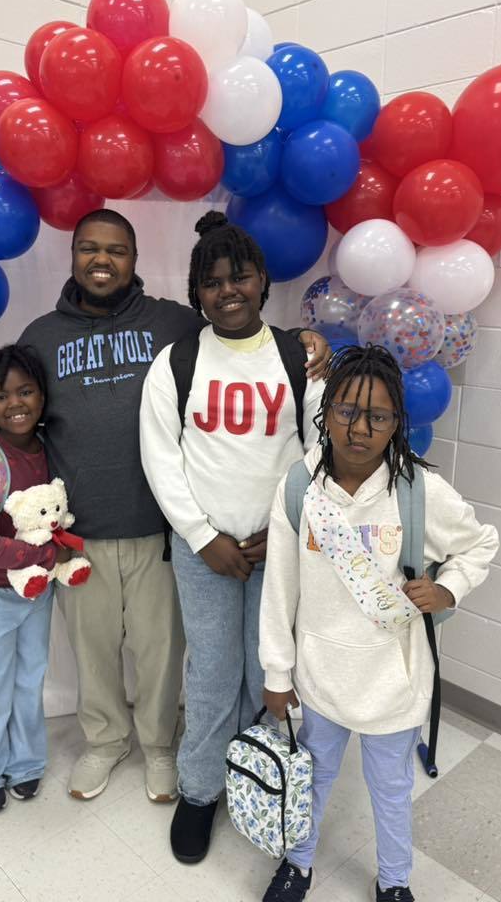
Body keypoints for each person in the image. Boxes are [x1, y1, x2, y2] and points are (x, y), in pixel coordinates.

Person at [0, 208, 330, 805]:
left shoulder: (175, 324)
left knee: (161, 651)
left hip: (160, 528)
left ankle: (158, 745)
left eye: (117, 250)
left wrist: (305, 344)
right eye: (90, 248)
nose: (103, 260)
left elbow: (242, 338)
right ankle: (104, 742)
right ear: (73, 256)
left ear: (135, 260)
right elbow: (2, 393)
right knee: (94, 653)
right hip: (77, 535)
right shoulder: (43, 335)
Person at [258, 345, 499, 902]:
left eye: (379, 416)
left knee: (390, 789)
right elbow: (279, 588)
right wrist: (277, 672)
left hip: (394, 679)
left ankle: (394, 883)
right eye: (347, 410)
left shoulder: (418, 491)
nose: (360, 428)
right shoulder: (298, 488)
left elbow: (480, 544)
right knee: (313, 779)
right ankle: (298, 864)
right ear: (327, 411)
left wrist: (447, 589)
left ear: (397, 422)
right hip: (319, 675)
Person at [140, 211, 325, 865]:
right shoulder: (176, 364)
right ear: (198, 293)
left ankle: (253, 774)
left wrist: (285, 531)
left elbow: (318, 452)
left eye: (239, 277)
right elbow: (161, 460)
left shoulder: (296, 357)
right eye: (213, 282)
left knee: (265, 671)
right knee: (215, 674)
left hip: (277, 549)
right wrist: (202, 536)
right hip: (205, 553)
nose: (228, 291)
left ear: (262, 280)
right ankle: (199, 790)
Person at [0, 344, 73, 813]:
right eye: (1, 396)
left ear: (43, 396)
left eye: (26, 391)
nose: (15, 404)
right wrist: (47, 553)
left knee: (29, 681)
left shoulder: (48, 451)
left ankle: (25, 765)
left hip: (34, 593)